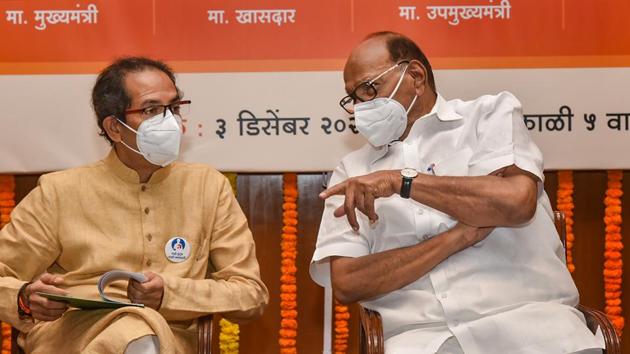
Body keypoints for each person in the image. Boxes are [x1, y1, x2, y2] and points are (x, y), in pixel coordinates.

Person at [310, 32, 604, 354]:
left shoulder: (488, 116)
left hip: (534, 327)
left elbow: (517, 203)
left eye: (370, 89)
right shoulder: (352, 171)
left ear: (416, 77)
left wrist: (401, 181)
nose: (360, 107)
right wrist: (457, 238)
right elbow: (348, 283)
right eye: (353, 97)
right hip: (423, 340)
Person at [0, 57, 268, 353]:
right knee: (134, 331)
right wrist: (24, 297)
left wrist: (171, 293)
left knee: (140, 331)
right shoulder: (59, 191)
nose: (170, 121)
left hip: (168, 338)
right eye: (152, 110)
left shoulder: (208, 187)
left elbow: (250, 294)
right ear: (115, 128)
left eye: (174, 108)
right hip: (74, 336)